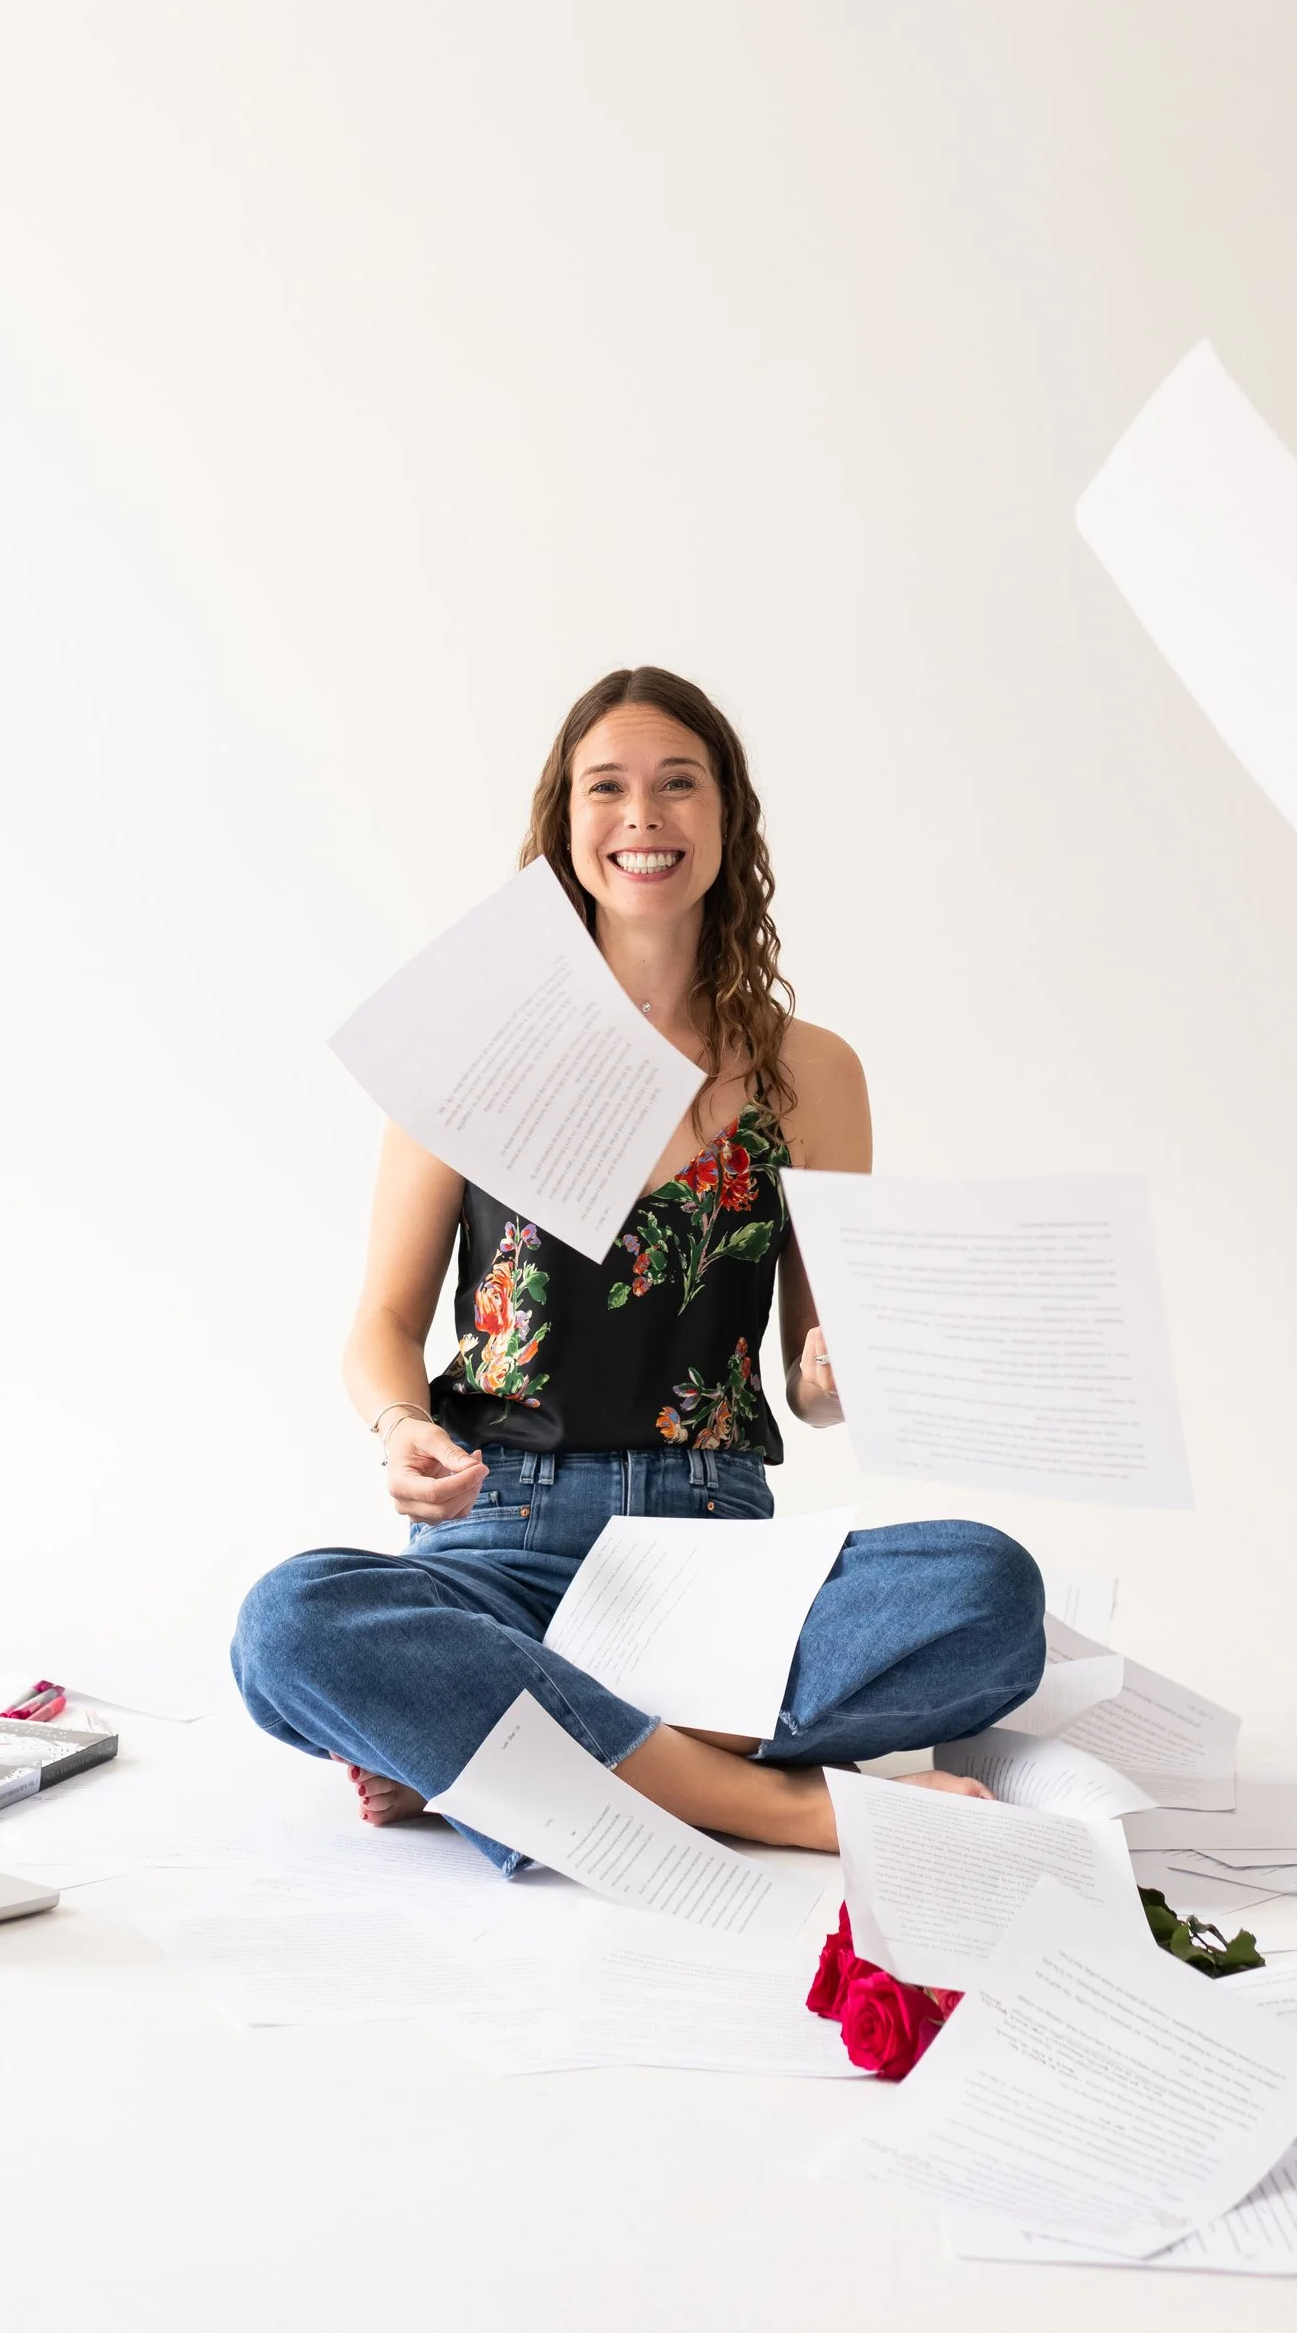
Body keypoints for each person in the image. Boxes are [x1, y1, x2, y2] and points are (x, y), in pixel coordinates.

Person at [234, 665, 1046, 1872]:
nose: (643, 814)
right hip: (498, 1539)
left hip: (714, 1546)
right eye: (604, 788)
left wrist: (849, 1365)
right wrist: (399, 1419)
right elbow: (384, 1320)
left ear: (728, 820)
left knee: (989, 1591)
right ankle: (780, 1804)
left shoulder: (811, 1071)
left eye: (678, 784)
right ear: (565, 828)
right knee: (291, 1623)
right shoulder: (473, 1041)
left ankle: (500, 1750)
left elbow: (814, 1379)